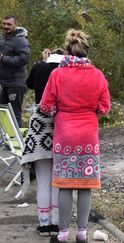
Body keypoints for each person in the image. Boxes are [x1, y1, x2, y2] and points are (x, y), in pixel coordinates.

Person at [39, 29, 111, 243]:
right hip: (88, 136)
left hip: (64, 135)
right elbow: (104, 108)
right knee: (85, 185)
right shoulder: (97, 75)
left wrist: (58, 112)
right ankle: (82, 234)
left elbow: (45, 105)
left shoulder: (57, 74)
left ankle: (62, 235)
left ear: (68, 50)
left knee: (65, 183)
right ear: (86, 51)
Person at [20, 48, 65, 236]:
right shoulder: (66, 71)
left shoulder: (40, 68)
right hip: (61, 126)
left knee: (43, 180)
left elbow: (29, 84)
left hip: (39, 127)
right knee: (57, 181)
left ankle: (44, 224)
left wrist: (43, 62)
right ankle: (56, 224)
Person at [0, 14, 30, 127]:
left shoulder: (20, 40)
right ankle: (8, 141)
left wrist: (3, 58)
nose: (6, 26)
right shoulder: (4, 39)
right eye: (4, 24)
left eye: (9, 24)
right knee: (4, 112)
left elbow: (24, 59)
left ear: (15, 25)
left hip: (16, 83)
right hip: (4, 83)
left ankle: (17, 142)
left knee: (14, 113)